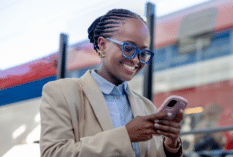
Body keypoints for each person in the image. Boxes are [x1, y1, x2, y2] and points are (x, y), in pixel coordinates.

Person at [39, 9, 183, 157]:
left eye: (143, 53)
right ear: (102, 45)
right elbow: (53, 153)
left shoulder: (146, 106)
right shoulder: (61, 92)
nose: (135, 60)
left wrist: (170, 143)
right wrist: (126, 135)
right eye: (128, 48)